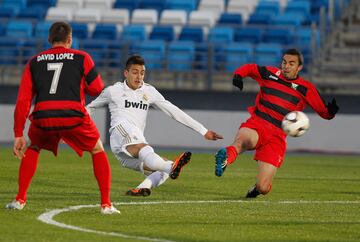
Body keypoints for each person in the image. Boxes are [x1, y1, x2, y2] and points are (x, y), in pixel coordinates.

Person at [6, 21, 119, 214]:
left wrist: (18, 133)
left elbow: (23, 100)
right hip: (73, 115)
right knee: (97, 148)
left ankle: (19, 200)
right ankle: (106, 205)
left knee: (33, 147)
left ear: (50, 40)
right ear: (70, 39)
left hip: (43, 117)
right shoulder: (82, 57)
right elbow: (97, 88)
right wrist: (80, 85)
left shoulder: (34, 61)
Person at [86, 55, 223, 196]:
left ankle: (143, 187)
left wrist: (203, 130)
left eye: (142, 73)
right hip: (120, 133)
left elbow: (173, 111)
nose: (139, 77)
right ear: (126, 73)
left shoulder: (149, 91)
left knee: (161, 169)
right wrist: (71, 126)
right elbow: (89, 108)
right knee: (156, 157)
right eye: (134, 72)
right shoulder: (113, 91)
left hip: (133, 147)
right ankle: (171, 167)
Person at [215, 48, 339, 198]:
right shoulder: (270, 73)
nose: (286, 66)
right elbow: (250, 68)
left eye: (291, 63)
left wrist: (331, 112)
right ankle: (225, 159)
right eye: (284, 62)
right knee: (242, 141)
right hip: (257, 124)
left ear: (299, 67)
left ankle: (257, 188)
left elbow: (324, 112)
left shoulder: (306, 89)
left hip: (276, 137)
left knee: (263, 187)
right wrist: (238, 75)